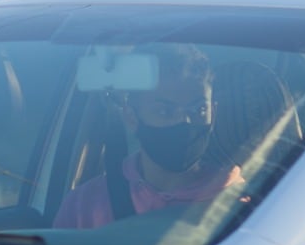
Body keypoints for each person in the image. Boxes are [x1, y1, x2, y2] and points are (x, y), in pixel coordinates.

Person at [54, 44, 244, 229]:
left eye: (199, 109)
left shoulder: (242, 206)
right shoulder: (84, 206)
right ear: (131, 117)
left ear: (214, 113)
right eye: (164, 111)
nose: (184, 121)